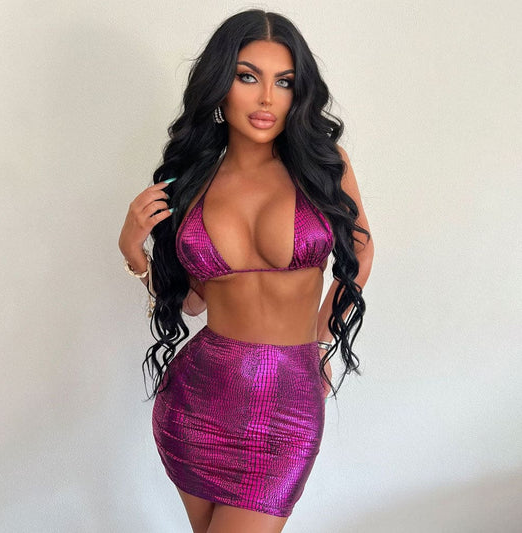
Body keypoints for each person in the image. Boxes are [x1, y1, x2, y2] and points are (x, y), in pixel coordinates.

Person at [118, 9, 374, 533]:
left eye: (284, 82)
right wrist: (132, 250)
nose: (266, 99)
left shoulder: (324, 165)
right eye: (248, 77)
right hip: (196, 403)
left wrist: (320, 341)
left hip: (288, 408)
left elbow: (362, 253)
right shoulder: (190, 182)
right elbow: (194, 302)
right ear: (220, 84)